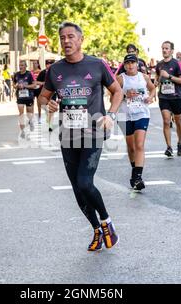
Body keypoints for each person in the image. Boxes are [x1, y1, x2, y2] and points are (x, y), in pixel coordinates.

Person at [39, 22, 123, 252]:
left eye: (70, 37)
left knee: (85, 182)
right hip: (68, 136)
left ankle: (107, 223)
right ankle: (96, 229)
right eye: (62, 38)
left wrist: (112, 116)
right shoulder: (55, 70)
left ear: (80, 40)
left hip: (94, 132)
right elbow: (42, 97)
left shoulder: (97, 65)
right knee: (77, 188)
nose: (66, 41)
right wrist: (50, 103)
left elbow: (117, 91)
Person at [116, 54, 156, 191]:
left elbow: (153, 88)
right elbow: (113, 97)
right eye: (127, 63)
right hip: (125, 115)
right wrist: (125, 95)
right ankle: (134, 169)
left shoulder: (143, 77)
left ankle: (137, 177)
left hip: (142, 114)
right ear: (124, 65)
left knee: (139, 144)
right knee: (131, 147)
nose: (130, 65)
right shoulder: (120, 79)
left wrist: (150, 98)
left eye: (133, 62)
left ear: (137, 64)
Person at [155, 41, 181, 157]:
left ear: (172, 51)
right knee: (166, 121)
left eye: (167, 48)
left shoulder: (177, 64)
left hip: (176, 97)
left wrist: (169, 76)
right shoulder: (159, 64)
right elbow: (157, 78)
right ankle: (169, 147)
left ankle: (180, 142)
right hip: (164, 97)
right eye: (163, 48)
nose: (164, 50)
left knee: (178, 120)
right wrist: (156, 81)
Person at [13, 61, 37, 138]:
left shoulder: (30, 74)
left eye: (22, 65)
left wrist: (25, 86)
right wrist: (16, 86)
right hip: (20, 97)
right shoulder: (16, 74)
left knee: (29, 114)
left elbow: (34, 85)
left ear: (26, 66)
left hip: (29, 96)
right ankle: (22, 131)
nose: (20, 66)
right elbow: (14, 84)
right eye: (20, 65)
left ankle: (30, 121)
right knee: (21, 114)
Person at [36, 59, 56, 131]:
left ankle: (50, 125)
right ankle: (48, 118)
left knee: (51, 108)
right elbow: (37, 82)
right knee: (46, 108)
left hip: (53, 93)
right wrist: (43, 83)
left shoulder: (55, 72)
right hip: (44, 94)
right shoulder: (42, 73)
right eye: (47, 64)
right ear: (46, 65)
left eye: (51, 64)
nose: (49, 65)